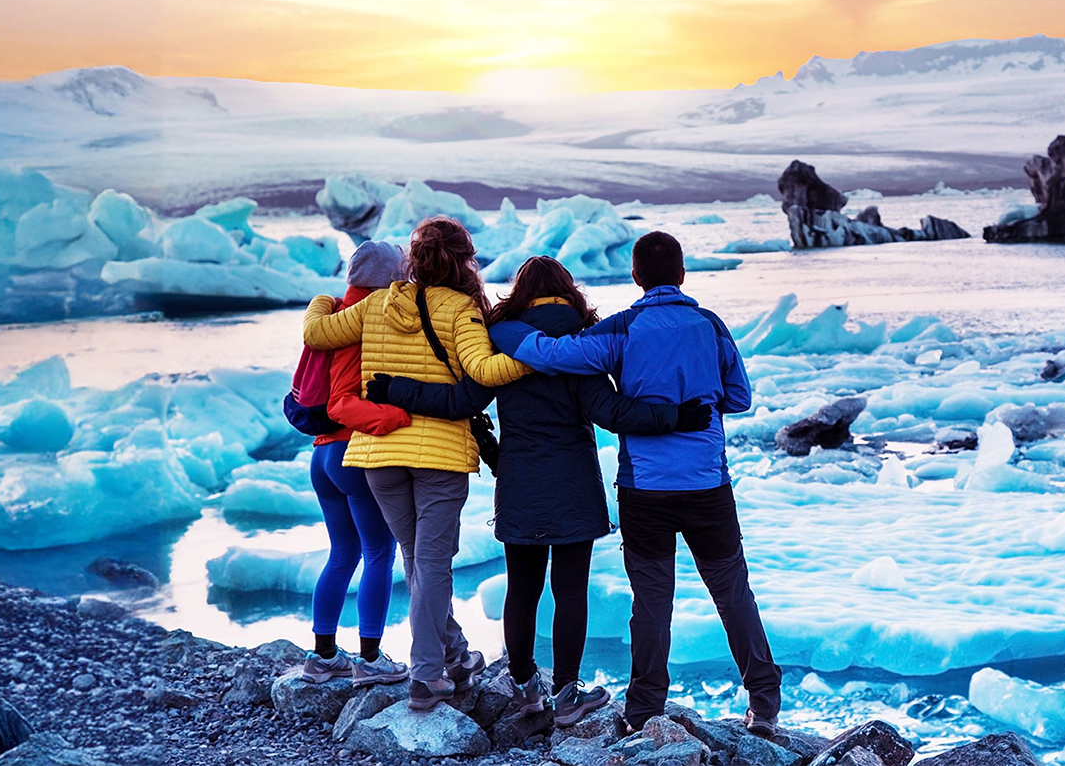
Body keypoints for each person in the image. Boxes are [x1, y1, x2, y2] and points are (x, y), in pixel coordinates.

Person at [367, 255, 714, 727]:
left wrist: (394, 388)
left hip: (520, 482)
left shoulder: (501, 343)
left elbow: (459, 402)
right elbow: (612, 413)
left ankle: (527, 688)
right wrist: (677, 416)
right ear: (568, 292)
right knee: (570, 590)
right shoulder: (581, 345)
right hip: (573, 483)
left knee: (522, 590)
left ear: (521, 293)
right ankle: (568, 694)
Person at [488, 232, 783, 736]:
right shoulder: (711, 325)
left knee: (651, 601)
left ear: (636, 276)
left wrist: (502, 331)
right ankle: (764, 699)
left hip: (645, 489)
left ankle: (645, 708)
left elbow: (553, 355)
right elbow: (739, 398)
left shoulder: (623, 330)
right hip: (707, 483)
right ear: (683, 273)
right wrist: (695, 399)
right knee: (732, 590)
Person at [302, 216, 529, 711]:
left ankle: (457, 654)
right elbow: (484, 371)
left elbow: (319, 334)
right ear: (464, 260)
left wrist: (323, 298)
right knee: (430, 563)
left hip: (378, 456)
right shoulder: (461, 308)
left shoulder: (378, 303)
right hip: (438, 456)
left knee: (416, 560)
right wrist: (540, 355)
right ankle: (426, 676)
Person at [301, 240, 411, 687]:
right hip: (351, 453)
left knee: (343, 553)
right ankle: (369, 658)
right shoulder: (362, 322)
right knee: (379, 554)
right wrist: (398, 416)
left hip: (322, 455)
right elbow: (343, 402)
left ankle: (323, 654)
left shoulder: (328, 314)